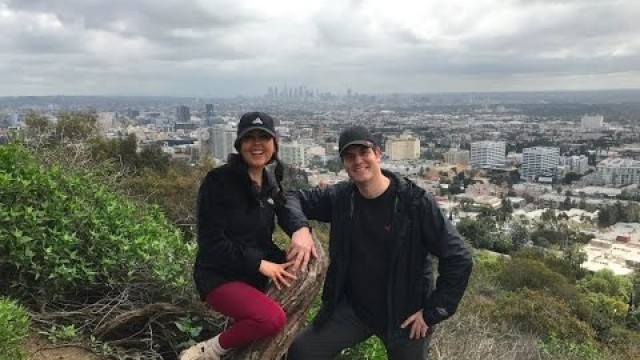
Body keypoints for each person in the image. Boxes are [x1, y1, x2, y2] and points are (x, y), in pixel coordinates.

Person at [281, 125, 474, 360]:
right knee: (303, 351)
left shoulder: (415, 203)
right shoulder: (342, 198)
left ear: (378, 154)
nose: (358, 161)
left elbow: (458, 258)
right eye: (350, 156)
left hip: (406, 314)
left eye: (364, 153)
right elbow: (292, 198)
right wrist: (300, 229)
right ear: (343, 163)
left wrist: (431, 313)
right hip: (354, 310)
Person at [180, 111, 316, 360]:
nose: (256, 144)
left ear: (274, 144)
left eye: (263, 137)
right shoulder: (218, 181)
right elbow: (211, 242)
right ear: (239, 144)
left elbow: (286, 210)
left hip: (251, 275)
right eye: (249, 138)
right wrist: (260, 264)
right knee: (272, 320)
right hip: (219, 276)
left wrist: (302, 229)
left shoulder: (269, 183)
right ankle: (206, 351)